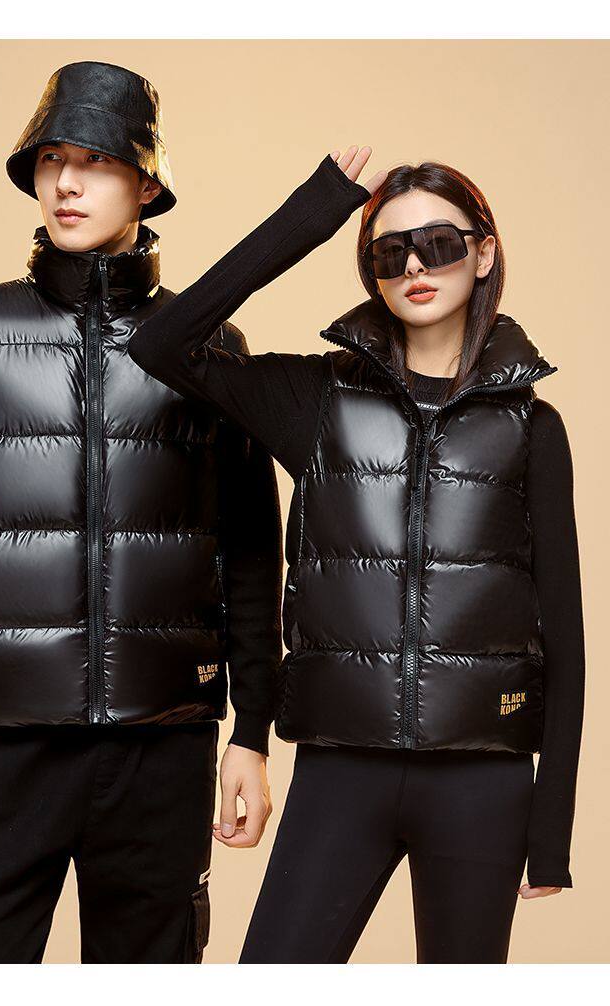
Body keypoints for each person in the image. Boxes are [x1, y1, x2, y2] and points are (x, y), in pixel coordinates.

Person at [0, 60, 282, 964]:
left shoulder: (210, 347)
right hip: (6, 741)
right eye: (51, 160)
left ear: (147, 184)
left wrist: (253, 735)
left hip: (164, 744)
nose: (67, 182)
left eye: (97, 161)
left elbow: (255, 555)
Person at [127, 145, 585, 963]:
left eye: (439, 244)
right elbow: (163, 343)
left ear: (484, 253)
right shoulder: (317, 400)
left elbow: (566, 633)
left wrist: (550, 832)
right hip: (341, 772)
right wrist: (316, 212)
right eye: (388, 251)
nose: (414, 266)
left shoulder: (532, 428)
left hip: (482, 780)